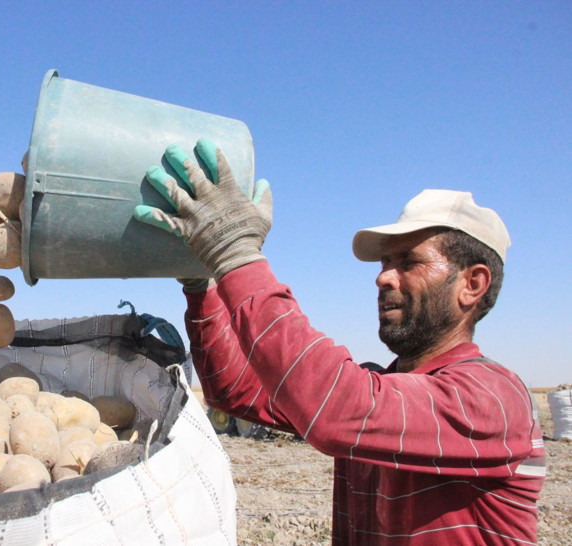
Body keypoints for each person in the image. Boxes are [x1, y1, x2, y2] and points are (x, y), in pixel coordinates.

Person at [133, 138, 546, 545]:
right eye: (386, 263)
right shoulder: (386, 393)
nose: (384, 277)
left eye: (409, 261)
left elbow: (335, 406)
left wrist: (234, 254)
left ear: (472, 284)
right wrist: (202, 285)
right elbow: (236, 390)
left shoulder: (493, 399)